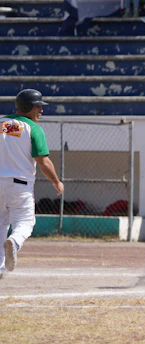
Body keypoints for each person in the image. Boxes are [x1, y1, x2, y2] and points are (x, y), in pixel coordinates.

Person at [0, 89, 64, 279]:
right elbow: (43, 161)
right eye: (38, 106)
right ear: (27, 107)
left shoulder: (2, 123)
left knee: (1, 224)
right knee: (26, 221)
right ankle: (15, 241)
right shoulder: (33, 129)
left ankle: (0, 267)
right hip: (19, 185)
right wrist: (56, 181)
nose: (41, 111)